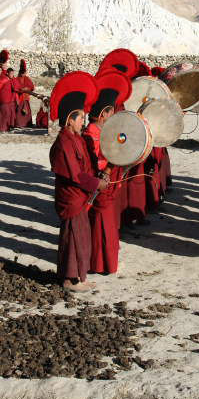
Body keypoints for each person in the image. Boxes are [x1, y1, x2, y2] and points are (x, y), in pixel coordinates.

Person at [49, 71, 106, 292]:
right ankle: (68, 279)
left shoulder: (77, 138)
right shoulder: (63, 142)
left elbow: (87, 166)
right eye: (80, 117)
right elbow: (75, 174)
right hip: (71, 197)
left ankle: (79, 277)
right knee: (72, 237)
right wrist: (95, 184)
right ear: (70, 119)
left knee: (81, 237)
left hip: (80, 196)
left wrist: (99, 175)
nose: (84, 121)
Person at [83, 71, 131, 275]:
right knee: (101, 223)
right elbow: (96, 162)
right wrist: (110, 166)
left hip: (109, 183)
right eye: (110, 113)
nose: (112, 117)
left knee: (107, 223)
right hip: (101, 184)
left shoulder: (102, 130)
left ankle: (107, 259)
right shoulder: (92, 133)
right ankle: (101, 263)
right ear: (103, 114)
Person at [14, 59, 35, 128]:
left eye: (24, 73)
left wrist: (27, 89)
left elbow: (32, 86)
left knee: (27, 111)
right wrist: (21, 89)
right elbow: (16, 87)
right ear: (20, 73)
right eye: (22, 73)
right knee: (19, 111)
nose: (23, 74)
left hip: (26, 97)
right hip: (19, 97)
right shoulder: (17, 79)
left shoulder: (27, 78)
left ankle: (27, 124)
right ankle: (19, 124)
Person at [0, 68, 17, 132]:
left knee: (11, 115)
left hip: (11, 100)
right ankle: (3, 129)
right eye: (11, 73)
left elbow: (16, 88)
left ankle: (9, 128)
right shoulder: (4, 80)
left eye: (13, 73)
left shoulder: (13, 80)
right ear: (7, 73)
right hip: (4, 100)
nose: (12, 75)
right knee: (5, 114)